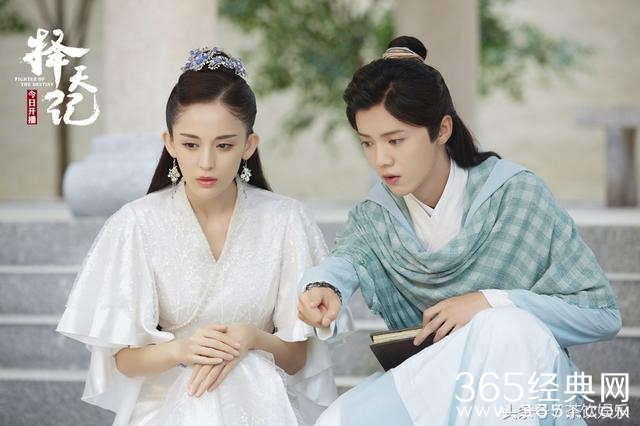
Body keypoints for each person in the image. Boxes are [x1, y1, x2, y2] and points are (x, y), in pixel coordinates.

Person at [297, 36, 622, 425]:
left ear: (442, 129)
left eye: (395, 140)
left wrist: (490, 302)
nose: (381, 159)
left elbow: (601, 315)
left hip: (521, 376)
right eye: (367, 143)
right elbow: (345, 261)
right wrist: (325, 287)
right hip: (435, 376)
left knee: (506, 329)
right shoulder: (376, 216)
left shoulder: (515, 195)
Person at [57, 47, 337, 425]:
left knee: (243, 374)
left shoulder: (286, 220)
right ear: (169, 142)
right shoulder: (136, 223)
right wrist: (184, 349)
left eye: (224, 145)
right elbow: (124, 359)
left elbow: (296, 357)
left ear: (249, 145)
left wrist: (251, 339)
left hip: (261, 399)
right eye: (191, 144)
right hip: (168, 403)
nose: (206, 162)